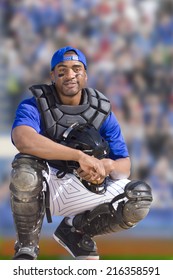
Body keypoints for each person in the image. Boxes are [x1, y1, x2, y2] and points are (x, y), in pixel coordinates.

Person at [10, 46, 153, 260]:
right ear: (52, 75)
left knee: (139, 197)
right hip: (49, 185)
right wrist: (80, 157)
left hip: (88, 185)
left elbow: (124, 165)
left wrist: (106, 167)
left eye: (76, 68)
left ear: (85, 74)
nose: (70, 75)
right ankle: (27, 247)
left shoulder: (102, 111)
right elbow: (22, 139)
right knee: (24, 170)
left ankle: (76, 232)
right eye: (62, 69)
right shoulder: (34, 105)